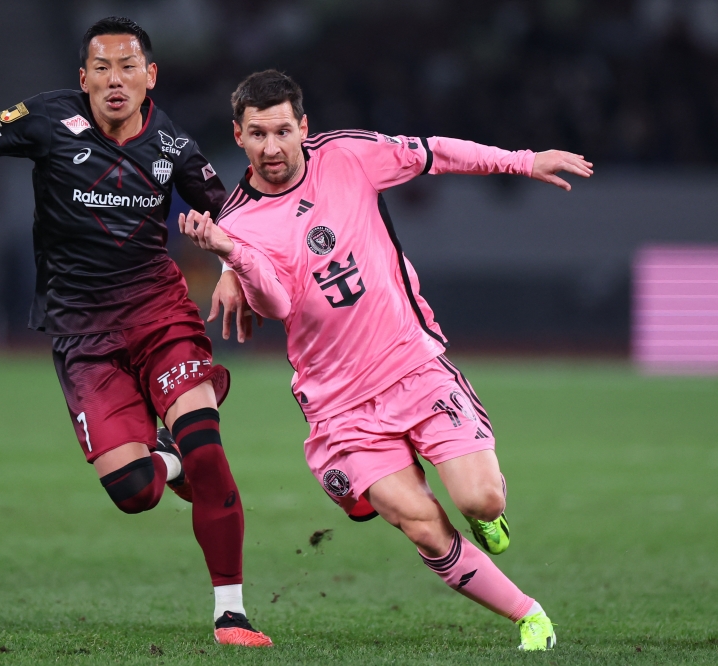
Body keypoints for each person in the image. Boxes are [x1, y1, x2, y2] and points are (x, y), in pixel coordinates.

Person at [0, 17, 272, 648]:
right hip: (82, 335)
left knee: (207, 448)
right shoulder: (44, 118)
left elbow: (231, 215)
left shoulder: (173, 145)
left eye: (128, 67)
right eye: (102, 68)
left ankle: (232, 614)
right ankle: (167, 457)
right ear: (83, 77)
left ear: (150, 76)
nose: (115, 80)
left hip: (160, 314)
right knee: (134, 492)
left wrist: (230, 270)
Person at [184, 69, 594, 651]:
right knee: (421, 524)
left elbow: (436, 153)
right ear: (238, 135)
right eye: (257, 134)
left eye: (282, 131)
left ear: (303, 127)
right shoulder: (237, 222)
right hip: (339, 404)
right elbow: (277, 304)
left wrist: (523, 161)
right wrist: (233, 256)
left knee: (480, 499)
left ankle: (487, 511)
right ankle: (530, 615)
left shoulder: (348, 155)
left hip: (411, 365)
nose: (271, 148)